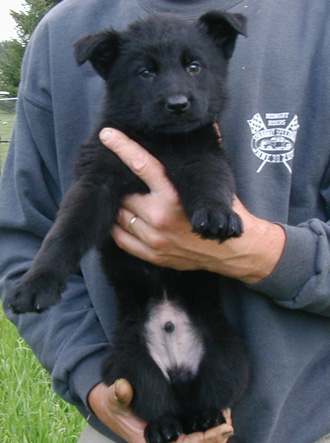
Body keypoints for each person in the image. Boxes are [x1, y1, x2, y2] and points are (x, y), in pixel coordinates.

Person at [1, 0, 330, 442]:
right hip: (130, 401)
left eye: (193, 67)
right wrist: (94, 383)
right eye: (146, 72)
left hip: (307, 423)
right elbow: (53, 222)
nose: (176, 93)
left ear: (222, 53)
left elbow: (207, 171)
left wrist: (260, 250)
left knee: (223, 362)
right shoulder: (65, 32)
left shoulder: (317, 21)